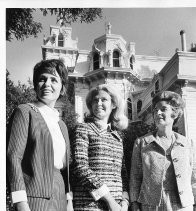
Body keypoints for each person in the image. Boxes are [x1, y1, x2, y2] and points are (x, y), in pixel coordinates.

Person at [7, 59, 74, 211]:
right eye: (42, 79)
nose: (47, 84)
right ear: (35, 84)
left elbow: (65, 171)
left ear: (62, 88)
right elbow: (13, 157)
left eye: (54, 80)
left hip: (60, 199)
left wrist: (69, 201)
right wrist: (20, 202)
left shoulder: (61, 125)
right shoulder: (25, 111)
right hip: (34, 199)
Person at [129, 91, 196, 211]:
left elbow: (195, 178)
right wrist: (134, 203)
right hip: (151, 205)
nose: (158, 113)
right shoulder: (142, 143)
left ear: (174, 112)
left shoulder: (188, 144)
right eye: (155, 110)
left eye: (163, 109)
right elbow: (135, 177)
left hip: (183, 205)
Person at [71, 84, 129, 211]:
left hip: (117, 207)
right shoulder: (83, 129)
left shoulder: (118, 136)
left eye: (104, 99)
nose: (98, 103)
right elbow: (80, 167)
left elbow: (123, 174)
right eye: (95, 100)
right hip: (90, 205)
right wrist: (110, 200)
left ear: (113, 104)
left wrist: (125, 201)